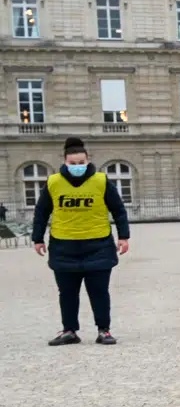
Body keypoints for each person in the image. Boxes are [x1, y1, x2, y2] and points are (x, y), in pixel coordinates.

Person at [31, 136, 130, 346]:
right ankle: (69, 330)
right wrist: (37, 238)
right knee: (67, 292)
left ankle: (104, 330)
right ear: (65, 162)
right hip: (63, 245)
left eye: (81, 163)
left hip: (98, 244)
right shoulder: (54, 182)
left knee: (99, 291)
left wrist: (123, 236)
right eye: (73, 164)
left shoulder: (101, 181)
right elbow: (41, 212)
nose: (78, 167)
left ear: (88, 160)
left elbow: (118, 210)